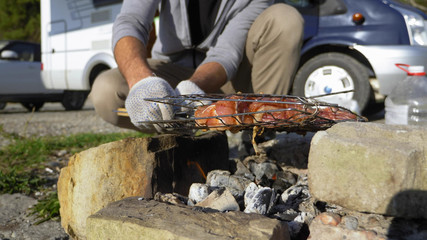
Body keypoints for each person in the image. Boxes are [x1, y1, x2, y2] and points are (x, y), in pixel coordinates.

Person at [90, 0, 304, 133]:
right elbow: (131, 21)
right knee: (106, 90)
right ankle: (173, 133)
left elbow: (226, 54)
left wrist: (192, 89)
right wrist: (141, 82)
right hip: (170, 69)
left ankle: (259, 134)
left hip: (227, 81)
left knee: (285, 19)